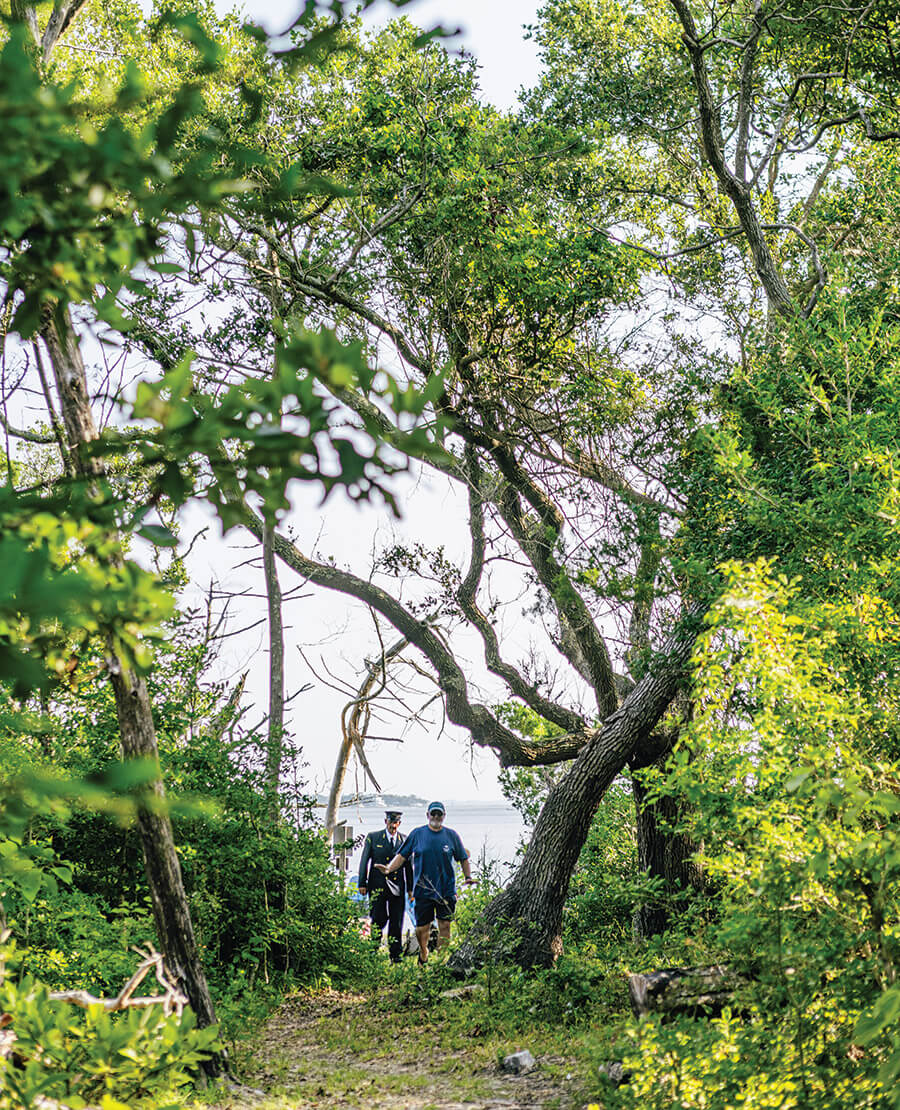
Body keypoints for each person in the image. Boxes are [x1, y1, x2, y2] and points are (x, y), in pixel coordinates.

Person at [376, 801, 473, 965]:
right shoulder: (417, 834)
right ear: (427, 815)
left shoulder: (452, 835)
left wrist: (467, 877)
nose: (436, 817)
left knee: (445, 926)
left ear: (443, 816)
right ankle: (424, 951)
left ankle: (440, 962)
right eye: (433, 814)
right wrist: (388, 869)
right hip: (422, 889)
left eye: (439, 814)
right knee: (422, 928)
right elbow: (402, 856)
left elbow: (463, 858)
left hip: (446, 890)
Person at [357, 810, 413, 963]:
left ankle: (395, 955)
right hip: (377, 885)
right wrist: (362, 882)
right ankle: (373, 950)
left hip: (397, 887)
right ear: (385, 822)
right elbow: (364, 861)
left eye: (395, 823)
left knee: (397, 921)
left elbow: (409, 867)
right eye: (390, 822)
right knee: (377, 918)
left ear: (399, 824)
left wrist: (410, 889)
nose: (392, 826)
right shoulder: (373, 837)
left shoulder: (404, 840)